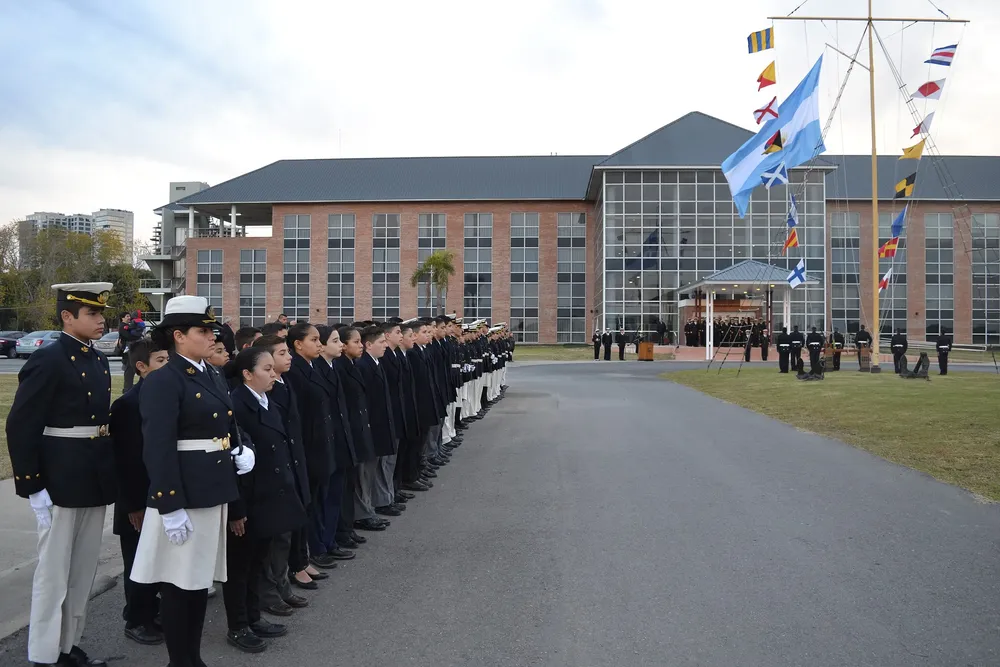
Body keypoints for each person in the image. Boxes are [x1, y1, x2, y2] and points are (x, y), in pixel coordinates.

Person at [130, 295, 254, 667]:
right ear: (178, 336)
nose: (211, 337)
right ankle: (181, 660)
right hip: (184, 494)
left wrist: (239, 447)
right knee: (177, 585)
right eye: (203, 330)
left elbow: (225, 421)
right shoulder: (164, 381)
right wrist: (169, 505)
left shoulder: (210, 372)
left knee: (198, 582)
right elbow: (158, 446)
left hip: (212, 487)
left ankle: (192, 658)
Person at [6, 282, 115, 667]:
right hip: (60, 476)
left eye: (102, 313)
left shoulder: (97, 359)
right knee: (53, 573)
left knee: (82, 569)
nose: (102, 320)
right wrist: (32, 485)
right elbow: (21, 425)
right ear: (68, 317)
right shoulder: (49, 359)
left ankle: (68, 644)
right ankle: (44, 653)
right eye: (92, 314)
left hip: (92, 474)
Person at [224, 347, 306, 653]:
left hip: (270, 494)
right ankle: (238, 625)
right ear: (247, 374)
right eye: (267, 369)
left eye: (274, 369)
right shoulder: (237, 405)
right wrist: (237, 509)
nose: (274, 374)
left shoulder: (265, 401)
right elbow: (235, 461)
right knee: (240, 566)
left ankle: (254, 617)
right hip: (249, 498)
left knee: (258, 561)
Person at [251, 334, 317, 614]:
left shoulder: (283, 384)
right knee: (272, 537)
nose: (288, 357)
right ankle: (269, 591)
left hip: (292, 465)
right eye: (281, 353)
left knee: (285, 533)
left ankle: (282, 583)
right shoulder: (256, 394)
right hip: (271, 473)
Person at [110, 337, 170, 647]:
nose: (167, 367)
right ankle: (136, 619)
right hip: (137, 500)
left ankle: (150, 610)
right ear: (141, 367)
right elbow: (126, 460)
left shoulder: (165, 398)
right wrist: (133, 504)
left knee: (156, 562)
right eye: (161, 362)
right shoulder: (127, 405)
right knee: (137, 563)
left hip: (160, 495)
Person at [311, 325, 361, 558]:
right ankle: (321, 545)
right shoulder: (317, 370)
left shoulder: (331, 368)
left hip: (339, 441)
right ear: (320, 345)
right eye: (335, 341)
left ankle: (330, 541)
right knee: (323, 499)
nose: (340, 344)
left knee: (334, 497)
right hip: (325, 444)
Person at [336, 326, 386, 532]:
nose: (359, 346)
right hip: (354, 428)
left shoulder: (353, 365)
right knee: (360, 477)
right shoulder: (342, 367)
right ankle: (362, 514)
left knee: (366, 474)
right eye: (355, 342)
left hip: (363, 425)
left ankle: (366, 510)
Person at [356, 325, 400, 518]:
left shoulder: (375, 362)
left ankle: (374, 505)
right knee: (365, 475)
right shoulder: (364, 365)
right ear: (368, 345)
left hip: (381, 423)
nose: (385, 345)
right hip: (372, 425)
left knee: (374, 470)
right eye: (381, 342)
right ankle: (367, 511)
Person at [119, 312, 145, 392]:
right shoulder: (122, 326)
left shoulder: (130, 325)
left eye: (129, 316)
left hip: (133, 349)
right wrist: (137, 336)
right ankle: (127, 389)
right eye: (127, 316)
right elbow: (128, 337)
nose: (129, 318)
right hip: (127, 352)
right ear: (122, 318)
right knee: (129, 370)